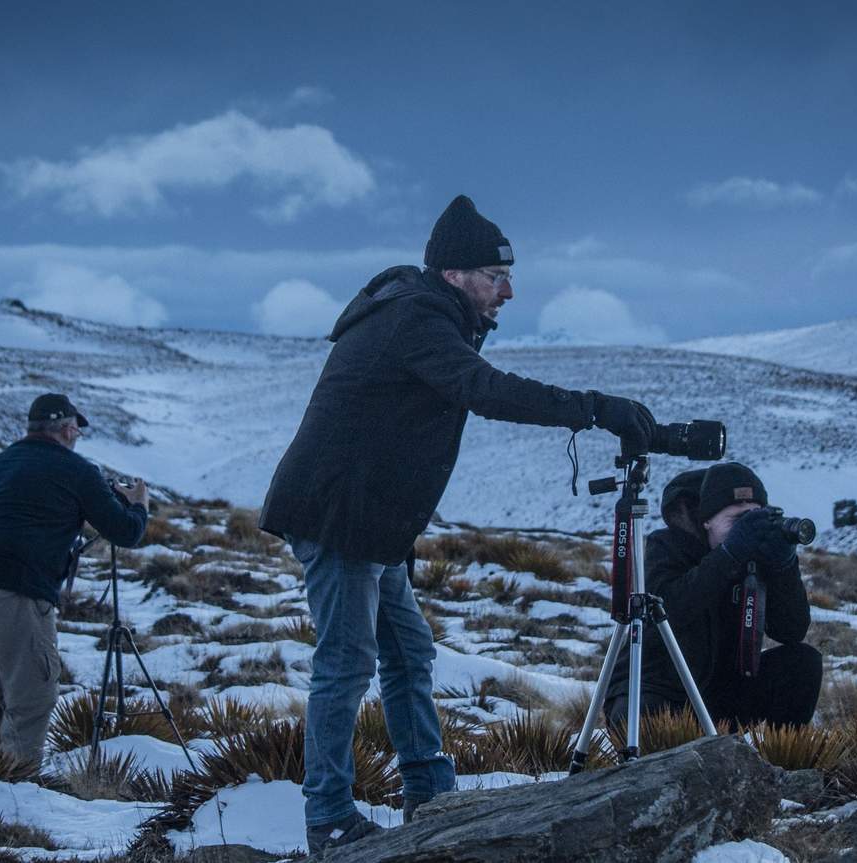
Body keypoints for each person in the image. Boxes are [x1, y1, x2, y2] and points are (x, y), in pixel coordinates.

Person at [260, 194, 658, 852]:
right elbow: (485, 389)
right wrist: (593, 408)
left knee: (408, 652)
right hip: (340, 515)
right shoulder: (416, 316)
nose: (508, 290)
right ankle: (328, 816)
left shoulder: (423, 312)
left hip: (368, 520)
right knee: (346, 663)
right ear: (454, 275)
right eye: (494, 276)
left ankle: (428, 790)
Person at [0, 393, 150, 771]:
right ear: (68, 429)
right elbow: (125, 532)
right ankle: (14, 791)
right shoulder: (77, 470)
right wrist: (137, 505)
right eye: (76, 433)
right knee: (31, 697)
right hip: (14, 587)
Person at [604, 462, 821, 730]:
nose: (748, 530)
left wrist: (784, 565)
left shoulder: (758, 553)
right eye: (737, 521)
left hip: (720, 694)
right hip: (656, 689)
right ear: (706, 521)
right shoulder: (667, 545)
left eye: (755, 518)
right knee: (643, 723)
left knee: (802, 662)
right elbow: (667, 609)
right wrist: (729, 555)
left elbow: (792, 630)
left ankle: (780, 762)